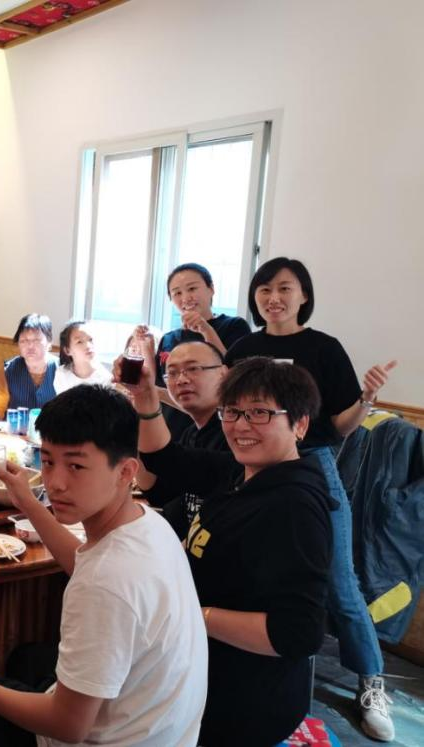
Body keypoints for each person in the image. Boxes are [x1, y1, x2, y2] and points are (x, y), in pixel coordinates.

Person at [0, 385, 208, 747]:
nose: (55, 483)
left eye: (76, 466)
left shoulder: (105, 582)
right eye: (47, 461)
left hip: (91, 736)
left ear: (125, 472)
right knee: (25, 658)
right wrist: (28, 502)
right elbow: (85, 563)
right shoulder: (149, 524)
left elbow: (69, 725)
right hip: (167, 731)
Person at [226, 256, 398, 741]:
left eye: (285, 288)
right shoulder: (244, 348)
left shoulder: (323, 348)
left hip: (312, 464)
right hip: (246, 463)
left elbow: (340, 427)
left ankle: (371, 681)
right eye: (264, 289)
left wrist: (366, 398)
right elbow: (227, 409)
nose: (273, 298)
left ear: (304, 295)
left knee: (339, 581)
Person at [135, 356, 333, 745]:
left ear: (300, 424)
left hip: (243, 703)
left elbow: (297, 633)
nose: (241, 425)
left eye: (259, 412)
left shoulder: (293, 505)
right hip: (203, 673)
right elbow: (166, 459)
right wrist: (144, 398)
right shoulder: (242, 472)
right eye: (232, 411)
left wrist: (193, 614)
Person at [125, 339, 229, 522]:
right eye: (172, 373)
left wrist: (145, 397)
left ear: (223, 374)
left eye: (193, 369)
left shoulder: (237, 433)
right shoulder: (191, 433)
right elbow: (159, 493)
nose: (181, 380)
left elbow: (165, 459)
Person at [154, 263, 251, 440]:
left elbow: (235, 378)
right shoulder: (168, 339)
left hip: (217, 432)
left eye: (192, 288)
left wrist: (205, 329)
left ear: (211, 289)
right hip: (173, 430)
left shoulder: (234, 326)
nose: (185, 298)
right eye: (177, 293)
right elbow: (160, 386)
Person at [0, 314, 57, 422]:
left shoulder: (62, 370)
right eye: (24, 341)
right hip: (16, 431)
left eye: (36, 340)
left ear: (49, 342)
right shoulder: (8, 370)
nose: (30, 346)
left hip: (53, 431)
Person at [52, 319, 112, 393]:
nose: (88, 346)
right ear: (67, 350)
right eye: (79, 342)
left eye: (90, 340)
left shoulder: (105, 379)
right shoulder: (61, 374)